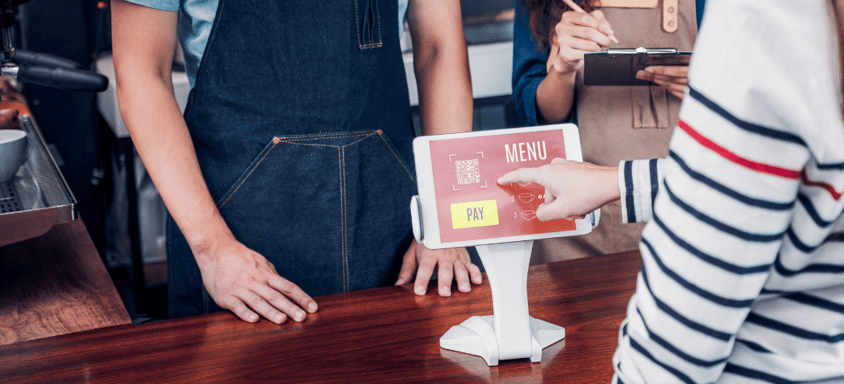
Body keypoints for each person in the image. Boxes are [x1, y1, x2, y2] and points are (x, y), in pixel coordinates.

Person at [500, 0, 844, 381]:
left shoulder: (766, 20)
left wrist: (715, 87)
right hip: (587, 233)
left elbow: (669, 357)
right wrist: (561, 69)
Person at [111, 0, 483, 323]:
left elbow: (440, 50)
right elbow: (142, 75)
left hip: (398, 232)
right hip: (238, 240)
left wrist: (443, 218)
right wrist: (213, 248)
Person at [512, 0, 705, 263]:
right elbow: (537, 116)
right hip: (577, 222)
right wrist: (562, 69)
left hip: (693, 213)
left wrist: (714, 86)